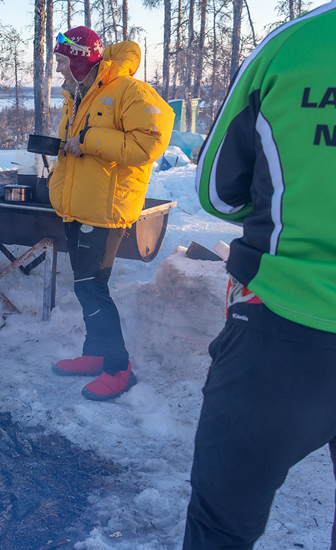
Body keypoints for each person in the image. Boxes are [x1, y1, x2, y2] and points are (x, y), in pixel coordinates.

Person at [183, 3, 336, 547]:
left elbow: (217, 193)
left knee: (221, 524)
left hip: (279, 331)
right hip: (279, 331)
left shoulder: (295, 44)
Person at [47, 27, 172, 400]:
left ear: (81, 60)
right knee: (85, 287)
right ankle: (96, 353)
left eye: (63, 62)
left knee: (92, 289)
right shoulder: (79, 95)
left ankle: (119, 368)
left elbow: (151, 141)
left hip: (106, 209)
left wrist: (89, 141)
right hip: (79, 205)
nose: (59, 70)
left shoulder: (128, 90)